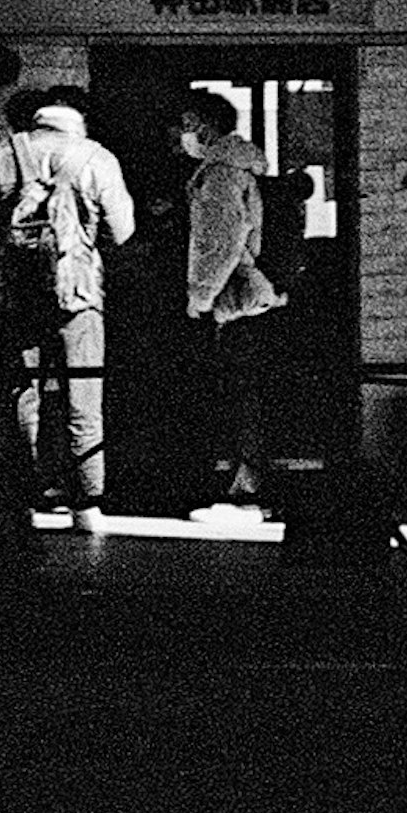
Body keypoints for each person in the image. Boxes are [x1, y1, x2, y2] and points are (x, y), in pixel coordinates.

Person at [0, 85, 135, 526]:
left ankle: (18, 500)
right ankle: (86, 504)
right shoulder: (96, 158)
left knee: (19, 396)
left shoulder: (5, 154)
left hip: (18, 295)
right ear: (77, 121)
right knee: (82, 394)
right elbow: (121, 232)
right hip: (76, 295)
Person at [176, 91, 283, 526]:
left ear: (205, 126)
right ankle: (247, 483)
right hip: (254, 296)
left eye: (186, 122)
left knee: (237, 392)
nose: (180, 132)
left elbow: (218, 243)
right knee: (248, 390)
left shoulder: (219, 175)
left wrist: (199, 298)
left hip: (234, 301)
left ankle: (244, 490)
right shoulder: (241, 168)